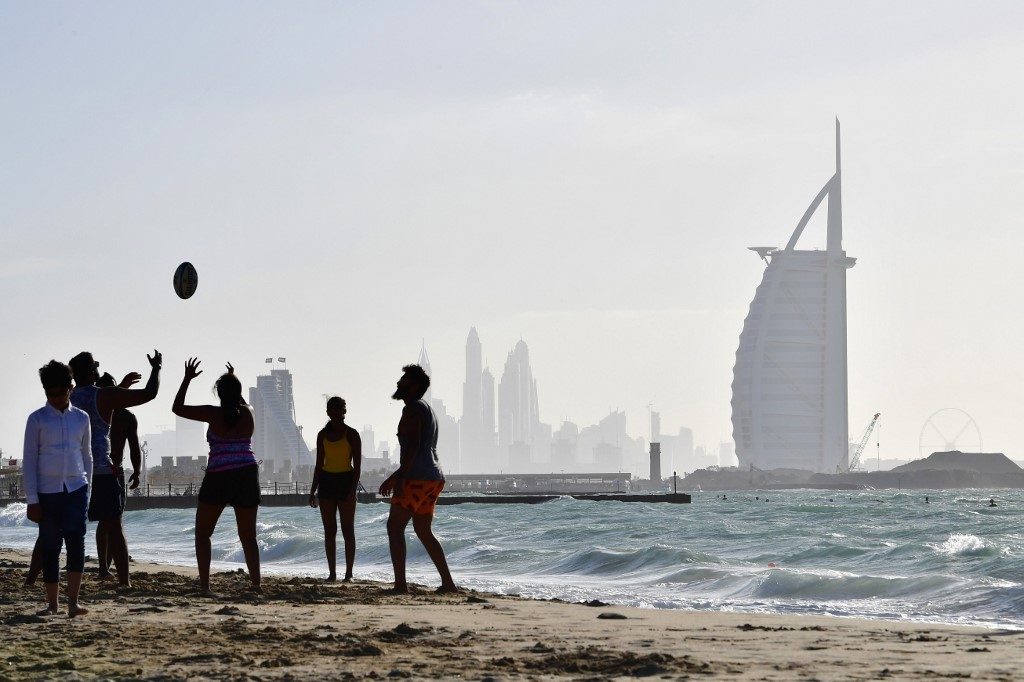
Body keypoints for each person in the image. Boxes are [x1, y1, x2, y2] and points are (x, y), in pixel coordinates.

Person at [69, 350, 160, 588]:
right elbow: (149, 394)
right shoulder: (104, 397)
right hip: (101, 471)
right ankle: (124, 582)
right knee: (114, 526)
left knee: (64, 528)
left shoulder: (66, 397)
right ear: (92, 372)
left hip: (72, 472)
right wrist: (156, 368)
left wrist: (121, 387)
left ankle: (39, 580)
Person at [172, 359, 261, 594]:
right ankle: (256, 584)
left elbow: (177, 408)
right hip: (246, 474)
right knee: (248, 536)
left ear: (218, 394)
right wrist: (233, 376)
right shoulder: (249, 413)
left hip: (219, 476)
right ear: (239, 393)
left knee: (203, 533)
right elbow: (240, 401)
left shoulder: (212, 413)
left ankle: (205, 586)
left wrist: (187, 379)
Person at [378, 364, 457, 594]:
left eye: (403, 380)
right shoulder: (428, 409)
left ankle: (400, 585)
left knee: (394, 527)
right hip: (434, 477)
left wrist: (397, 478)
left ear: (414, 386)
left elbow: (412, 448)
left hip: (417, 477)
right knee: (423, 530)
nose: (398, 383)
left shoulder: (412, 409)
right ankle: (448, 583)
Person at [23, 360, 92, 616]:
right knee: (50, 545)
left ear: (70, 389)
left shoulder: (81, 418)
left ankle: (73, 603)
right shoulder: (37, 419)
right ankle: (53, 604)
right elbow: (29, 459)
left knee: (76, 543)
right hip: (47, 492)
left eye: (60, 393)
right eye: (50, 394)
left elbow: (87, 456)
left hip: (76, 488)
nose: (55, 398)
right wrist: (32, 499)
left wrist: (88, 490)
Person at [309, 397, 361, 582]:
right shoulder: (322, 435)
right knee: (329, 530)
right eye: (332, 409)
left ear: (344, 411)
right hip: (326, 482)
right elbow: (318, 465)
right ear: (328, 412)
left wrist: (352, 491)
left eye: (339, 408)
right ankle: (332, 573)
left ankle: (349, 574)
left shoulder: (352, 434)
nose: (335, 412)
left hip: (346, 481)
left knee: (348, 530)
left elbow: (357, 467)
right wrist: (313, 490)